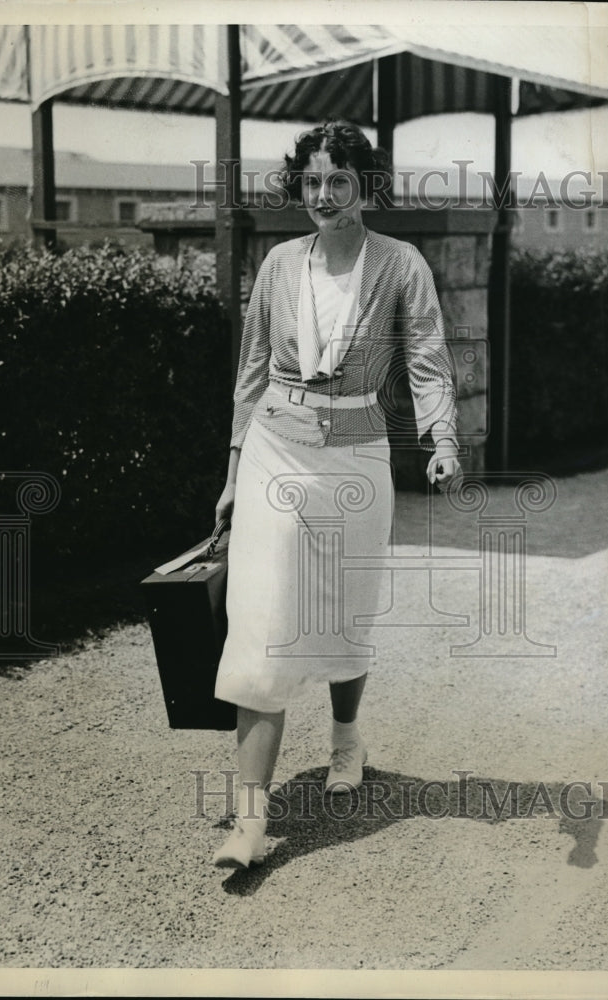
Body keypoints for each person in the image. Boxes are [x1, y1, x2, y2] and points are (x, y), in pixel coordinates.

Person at [211, 119, 461, 869]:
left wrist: (442, 441)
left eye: (339, 182)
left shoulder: (401, 264)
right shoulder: (280, 264)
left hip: (357, 458)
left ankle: (346, 736)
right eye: (313, 181)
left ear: (366, 188)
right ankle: (251, 825)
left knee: (340, 614)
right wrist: (230, 472)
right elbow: (252, 373)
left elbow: (426, 360)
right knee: (260, 623)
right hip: (276, 451)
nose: (323, 195)